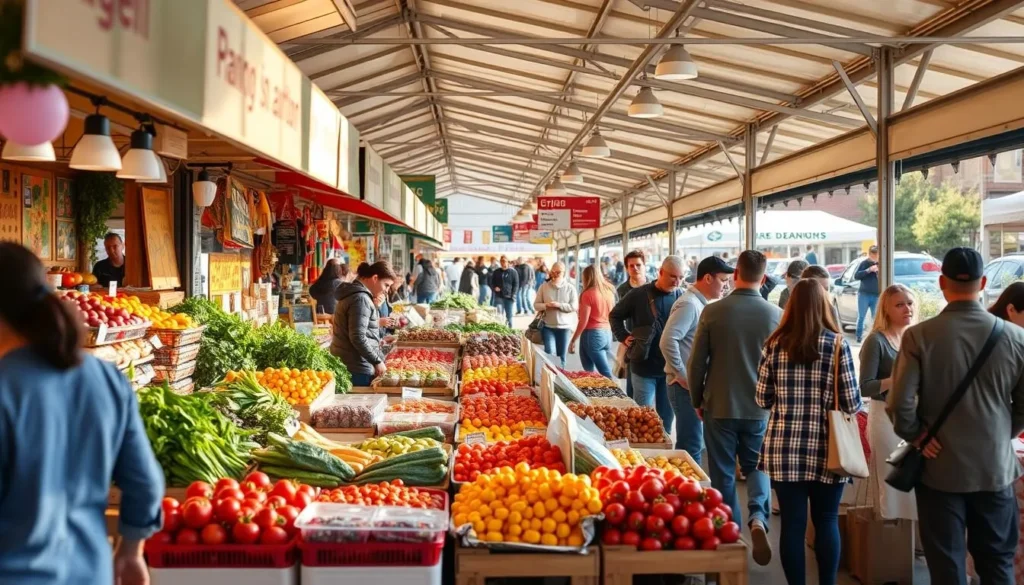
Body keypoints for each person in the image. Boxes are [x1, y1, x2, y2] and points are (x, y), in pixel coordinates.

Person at [0, 243, 164, 585]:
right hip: (91, 572)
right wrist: (131, 554)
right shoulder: (103, 377)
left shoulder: (6, 389)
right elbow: (146, 483)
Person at [889, 247, 1024, 585]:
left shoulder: (919, 336)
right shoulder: (1016, 337)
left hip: (940, 470)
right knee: (997, 564)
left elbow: (899, 403)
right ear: (982, 282)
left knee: (947, 566)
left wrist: (917, 434)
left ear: (941, 282)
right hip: (995, 468)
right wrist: (1001, 433)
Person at [756, 280, 861, 585]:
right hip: (828, 449)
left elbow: (762, 399)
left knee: (792, 524)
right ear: (824, 305)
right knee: (826, 520)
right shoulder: (838, 344)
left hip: (783, 448)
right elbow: (852, 402)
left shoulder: (774, 345)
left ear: (790, 307)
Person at [688, 250, 783, 565]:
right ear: (764, 277)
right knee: (757, 466)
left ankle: (732, 532)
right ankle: (759, 516)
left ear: (736, 274)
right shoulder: (776, 315)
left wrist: (697, 399)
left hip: (720, 403)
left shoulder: (714, 312)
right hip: (760, 408)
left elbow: (697, 362)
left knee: (723, 472)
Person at [659, 256, 734, 463]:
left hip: (691, 385)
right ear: (708, 278)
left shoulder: (697, 303)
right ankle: (690, 491)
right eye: (723, 280)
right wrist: (683, 376)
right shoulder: (689, 305)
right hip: (684, 388)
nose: (726, 285)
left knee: (693, 442)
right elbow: (667, 341)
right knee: (691, 444)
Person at [860, 284, 918, 524]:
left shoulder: (913, 337)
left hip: (912, 417)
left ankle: (912, 539)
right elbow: (865, 386)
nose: (907, 309)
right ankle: (892, 538)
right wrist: (896, 379)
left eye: (910, 303)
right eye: (900, 304)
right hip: (884, 418)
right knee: (891, 481)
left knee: (914, 481)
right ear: (886, 309)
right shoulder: (876, 341)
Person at [610, 256, 685, 430]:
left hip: (670, 369)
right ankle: (643, 453)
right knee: (642, 417)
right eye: (673, 276)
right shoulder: (638, 294)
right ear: (660, 272)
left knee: (666, 418)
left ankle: (663, 452)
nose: (677, 281)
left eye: (681, 277)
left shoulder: (682, 297)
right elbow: (615, 315)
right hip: (643, 367)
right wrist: (623, 336)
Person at [331, 261, 397, 387]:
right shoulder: (361, 298)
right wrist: (377, 361)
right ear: (375, 278)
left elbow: (362, 330)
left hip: (353, 363)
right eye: (386, 285)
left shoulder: (357, 295)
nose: (386, 291)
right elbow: (358, 337)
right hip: (357, 367)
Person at [569, 265, 616, 378]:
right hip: (607, 333)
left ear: (586, 277)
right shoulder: (609, 291)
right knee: (599, 370)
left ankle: (614, 393)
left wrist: (573, 340)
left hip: (592, 334)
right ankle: (599, 392)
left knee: (598, 372)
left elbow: (583, 321)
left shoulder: (587, 294)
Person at [617, 250, 649, 399]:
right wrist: (623, 336)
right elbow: (615, 317)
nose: (635, 268)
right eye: (631, 266)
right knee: (632, 386)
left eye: (638, 265)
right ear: (626, 268)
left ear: (644, 266)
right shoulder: (622, 290)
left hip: (653, 342)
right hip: (632, 343)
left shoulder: (654, 287)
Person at [534, 262, 578, 366]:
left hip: (565, 328)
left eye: (558, 272)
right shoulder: (543, 287)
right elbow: (536, 305)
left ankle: (560, 379)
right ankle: (550, 379)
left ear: (564, 273)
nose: (555, 274)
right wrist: (546, 306)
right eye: (553, 271)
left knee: (562, 357)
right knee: (549, 355)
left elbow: (574, 307)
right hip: (548, 327)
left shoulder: (570, 288)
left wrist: (559, 305)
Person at [854, 245, 881, 342]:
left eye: (877, 255)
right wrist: (868, 270)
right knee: (862, 316)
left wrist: (878, 272)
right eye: (873, 254)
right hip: (864, 294)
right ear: (870, 254)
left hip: (877, 294)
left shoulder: (880, 264)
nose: (875, 257)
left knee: (876, 317)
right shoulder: (864, 263)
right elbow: (856, 276)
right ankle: (859, 336)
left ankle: (875, 337)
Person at [490, 256, 520, 328]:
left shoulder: (513, 272)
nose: (503, 263)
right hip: (499, 297)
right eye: (502, 261)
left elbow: (516, 285)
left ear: (508, 262)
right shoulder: (496, 272)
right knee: (499, 315)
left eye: (505, 261)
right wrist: (494, 288)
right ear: (500, 262)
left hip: (509, 298)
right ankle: (499, 331)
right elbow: (491, 282)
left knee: (509, 316)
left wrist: (513, 296)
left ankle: (509, 332)